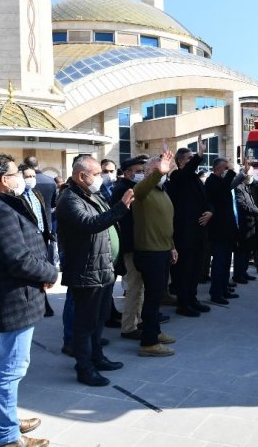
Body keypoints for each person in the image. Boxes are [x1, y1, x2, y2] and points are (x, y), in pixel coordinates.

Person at [0, 154, 57, 447]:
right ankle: (8, 436)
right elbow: (18, 259)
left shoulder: (1, 205)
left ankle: (3, 421)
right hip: (13, 300)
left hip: (17, 296)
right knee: (11, 369)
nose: (20, 177)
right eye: (14, 173)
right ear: (2, 180)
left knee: (4, 365)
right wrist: (49, 272)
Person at [56, 155, 133, 386]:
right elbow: (91, 224)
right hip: (87, 271)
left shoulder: (92, 195)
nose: (100, 178)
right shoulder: (69, 198)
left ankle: (97, 356)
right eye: (97, 174)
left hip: (104, 268)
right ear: (81, 176)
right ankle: (84, 367)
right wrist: (121, 207)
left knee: (99, 320)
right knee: (85, 323)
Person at [132, 154, 178, 357]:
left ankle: (154, 332)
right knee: (152, 298)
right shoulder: (142, 191)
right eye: (157, 170)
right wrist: (159, 170)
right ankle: (148, 343)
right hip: (149, 252)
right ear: (148, 172)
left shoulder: (162, 191)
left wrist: (172, 246)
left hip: (163, 250)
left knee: (157, 296)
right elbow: (140, 189)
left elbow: (165, 223)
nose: (163, 172)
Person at [168, 139, 213, 317]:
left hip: (199, 233)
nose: (193, 160)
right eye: (189, 158)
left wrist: (210, 211)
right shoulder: (177, 177)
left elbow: (207, 200)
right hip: (184, 235)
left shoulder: (196, 179)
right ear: (180, 162)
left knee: (195, 270)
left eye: (193, 157)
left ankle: (193, 299)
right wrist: (200, 155)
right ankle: (183, 303)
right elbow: (186, 172)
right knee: (184, 271)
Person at [111, 156, 149, 340]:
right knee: (134, 287)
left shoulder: (128, 187)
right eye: (138, 171)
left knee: (139, 286)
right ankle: (129, 326)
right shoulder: (124, 189)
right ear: (127, 173)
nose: (141, 174)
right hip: (131, 245)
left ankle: (137, 319)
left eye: (143, 171)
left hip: (135, 244)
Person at [19, 164, 55, 317]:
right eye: (27, 176)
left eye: (33, 176)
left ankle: (44, 303)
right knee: (33, 273)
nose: (31, 179)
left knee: (43, 272)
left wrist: (48, 232)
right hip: (28, 241)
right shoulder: (17, 197)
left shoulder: (37, 194)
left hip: (42, 238)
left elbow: (43, 214)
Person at [205, 158, 238, 304]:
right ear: (218, 168)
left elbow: (228, 186)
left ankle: (224, 289)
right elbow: (221, 191)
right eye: (225, 168)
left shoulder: (221, 181)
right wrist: (231, 171)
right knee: (219, 263)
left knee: (225, 263)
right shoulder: (212, 181)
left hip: (227, 229)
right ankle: (216, 293)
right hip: (219, 230)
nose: (226, 171)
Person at [233, 166, 258, 283]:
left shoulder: (246, 187)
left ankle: (244, 272)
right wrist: (257, 211)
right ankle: (238, 275)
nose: (251, 177)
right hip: (242, 226)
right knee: (241, 252)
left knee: (247, 251)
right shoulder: (238, 187)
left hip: (250, 225)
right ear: (244, 175)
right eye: (250, 174)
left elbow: (251, 203)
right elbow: (242, 205)